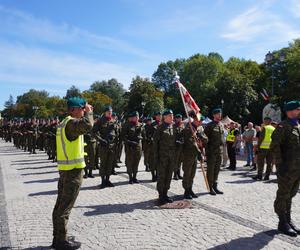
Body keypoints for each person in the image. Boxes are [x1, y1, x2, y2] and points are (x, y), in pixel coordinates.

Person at [52, 97, 93, 250]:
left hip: (65, 170)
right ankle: (61, 241)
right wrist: (90, 113)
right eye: (82, 108)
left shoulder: (64, 123)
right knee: (65, 208)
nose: (84, 110)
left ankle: (59, 237)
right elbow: (88, 125)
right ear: (73, 109)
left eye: (84, 108)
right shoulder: (71, 124)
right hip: (72, 172)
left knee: (59, 206)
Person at [270, 101, 300, 237]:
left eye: (298, 109)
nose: (298, 111)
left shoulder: (297, 126)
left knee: (291, 194)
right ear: (289, 111)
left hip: (297, 169)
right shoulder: (283, 126)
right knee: (283, 194)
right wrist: (280, 165)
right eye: (295, 109)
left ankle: (288, 220)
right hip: (287, 169)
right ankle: (282, 222)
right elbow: (275, 146)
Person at [182, 111, 207, 199]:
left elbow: (206, 139)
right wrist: (199, 153)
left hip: (195, 155)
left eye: (201, 121)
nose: (200, 122)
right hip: (188, 154)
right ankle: (186, 191)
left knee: (192, 174)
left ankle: (190, 189)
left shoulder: (199, 128)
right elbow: (190, 143)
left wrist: (201, 137)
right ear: (195, 119)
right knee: (187, 173)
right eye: (199, 121)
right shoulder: (188, 128)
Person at [153, 109, 176, 205]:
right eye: (170, 116)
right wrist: (156, 157)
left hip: (171, 156)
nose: (172, 117)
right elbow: (155, 144)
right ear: (165, 117)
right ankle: (160, 195)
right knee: (162, 176)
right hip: (162, 156)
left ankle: (166, 194)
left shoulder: (172, 127)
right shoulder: (160, 128)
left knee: (169, 175)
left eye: (172, 115)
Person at [93, 106, 118, 189]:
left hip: (112, 146)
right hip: (103, 146)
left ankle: (108, 179)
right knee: (103, 164)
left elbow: (116, 132)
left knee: (110, 163)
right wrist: (101, 140)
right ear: (105, 112)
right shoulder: (100, 121)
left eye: (111, 111)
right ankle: (103, 181)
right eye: (108, 111)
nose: (110, 113)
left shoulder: (113, 121)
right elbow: (94, 132)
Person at [204, 108, 224, 195]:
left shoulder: (221, 125)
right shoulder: (209, 125)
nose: (220, 115)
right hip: (211, 151)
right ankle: (210, 187)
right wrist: (206, 151)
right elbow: (205, 139)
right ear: (214, 115)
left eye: (220, 114)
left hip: (219, 151)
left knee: (217, 169)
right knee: (211, 170)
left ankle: (215, 186)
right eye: (218, 114)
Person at [121, 111, 143, 184]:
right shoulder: (127, 125)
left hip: (138, 147)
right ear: (132, 118)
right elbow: (123, 137)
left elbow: (144, 135)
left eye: (137, 116)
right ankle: (130, 177)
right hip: (130, 147)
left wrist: (140, 137)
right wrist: (130, 142)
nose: (137, 118)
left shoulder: (140, 125)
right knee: (130, 163)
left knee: (136, 162)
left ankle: (135, 177)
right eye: (135, 117)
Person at [173, 114, 184, 180]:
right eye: (178, 118)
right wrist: (176, 141)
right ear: (176, 119)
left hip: (181, 146)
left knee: (180, 161)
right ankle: (175, 174)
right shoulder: (174, 126)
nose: (180, 119)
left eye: (181, 118)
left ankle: (179, 174)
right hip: (176, 146)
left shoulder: (182, 126)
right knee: (176, 161)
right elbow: (172, 136)